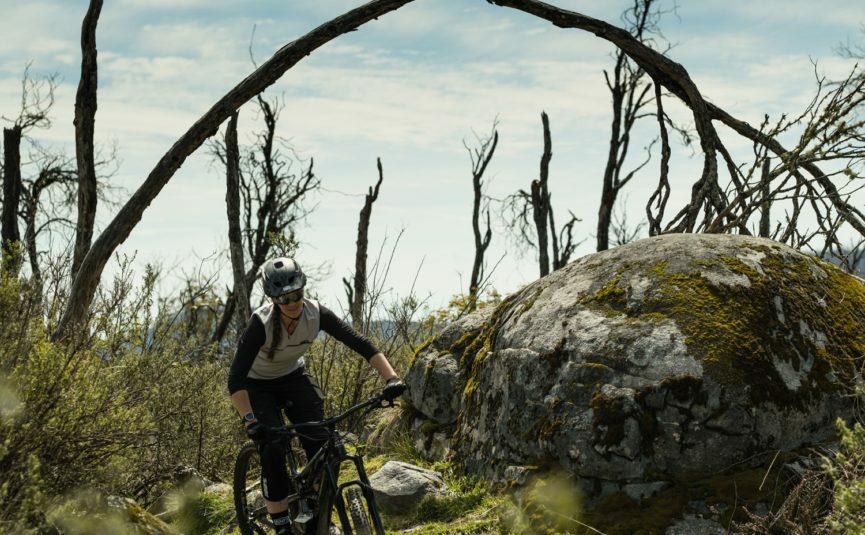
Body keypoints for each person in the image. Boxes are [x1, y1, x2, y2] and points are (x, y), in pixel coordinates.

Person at [228, 257, 406, 535]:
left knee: (323, 443)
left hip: (293, 377)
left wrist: (392, 378)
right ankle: (281, 525)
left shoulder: (316, 314)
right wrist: (250, 421)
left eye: (296, 293)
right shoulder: (260, 324)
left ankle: (314, 509)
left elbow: (360, 343)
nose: (292, 302)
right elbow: (235, 379)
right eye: (284, 298)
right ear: (274, 299)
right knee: (273, 448)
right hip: (256, 385)